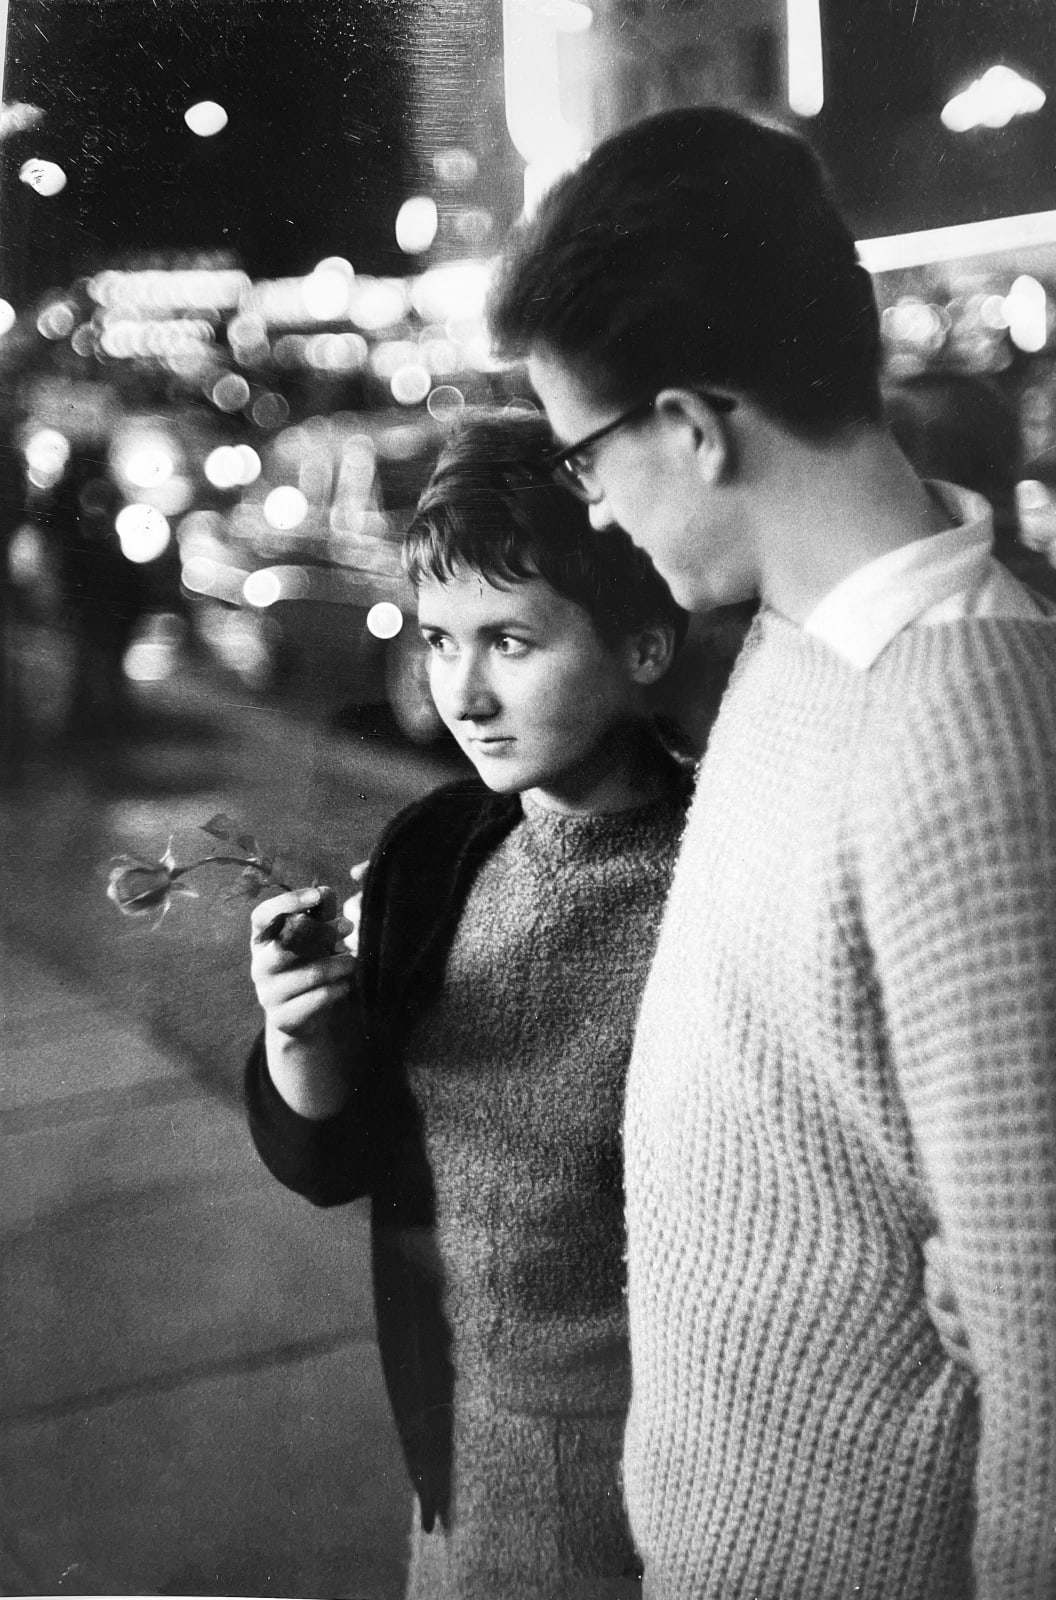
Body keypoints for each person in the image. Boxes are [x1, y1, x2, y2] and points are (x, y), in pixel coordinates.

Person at [488, 106, 1056, 1599]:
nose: (595, 504)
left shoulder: (968, 753)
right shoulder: (803, 646)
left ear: (690, 423)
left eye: (589, 457)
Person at [244, 410, 697, 1599]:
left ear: (643, 644)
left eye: (511, 641)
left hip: (654, 1463)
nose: (464, 691)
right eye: (441, 640)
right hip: (452, 1435)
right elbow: (337, 1157)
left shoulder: (715, 872)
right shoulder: (433, 849)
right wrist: (303, 1033)